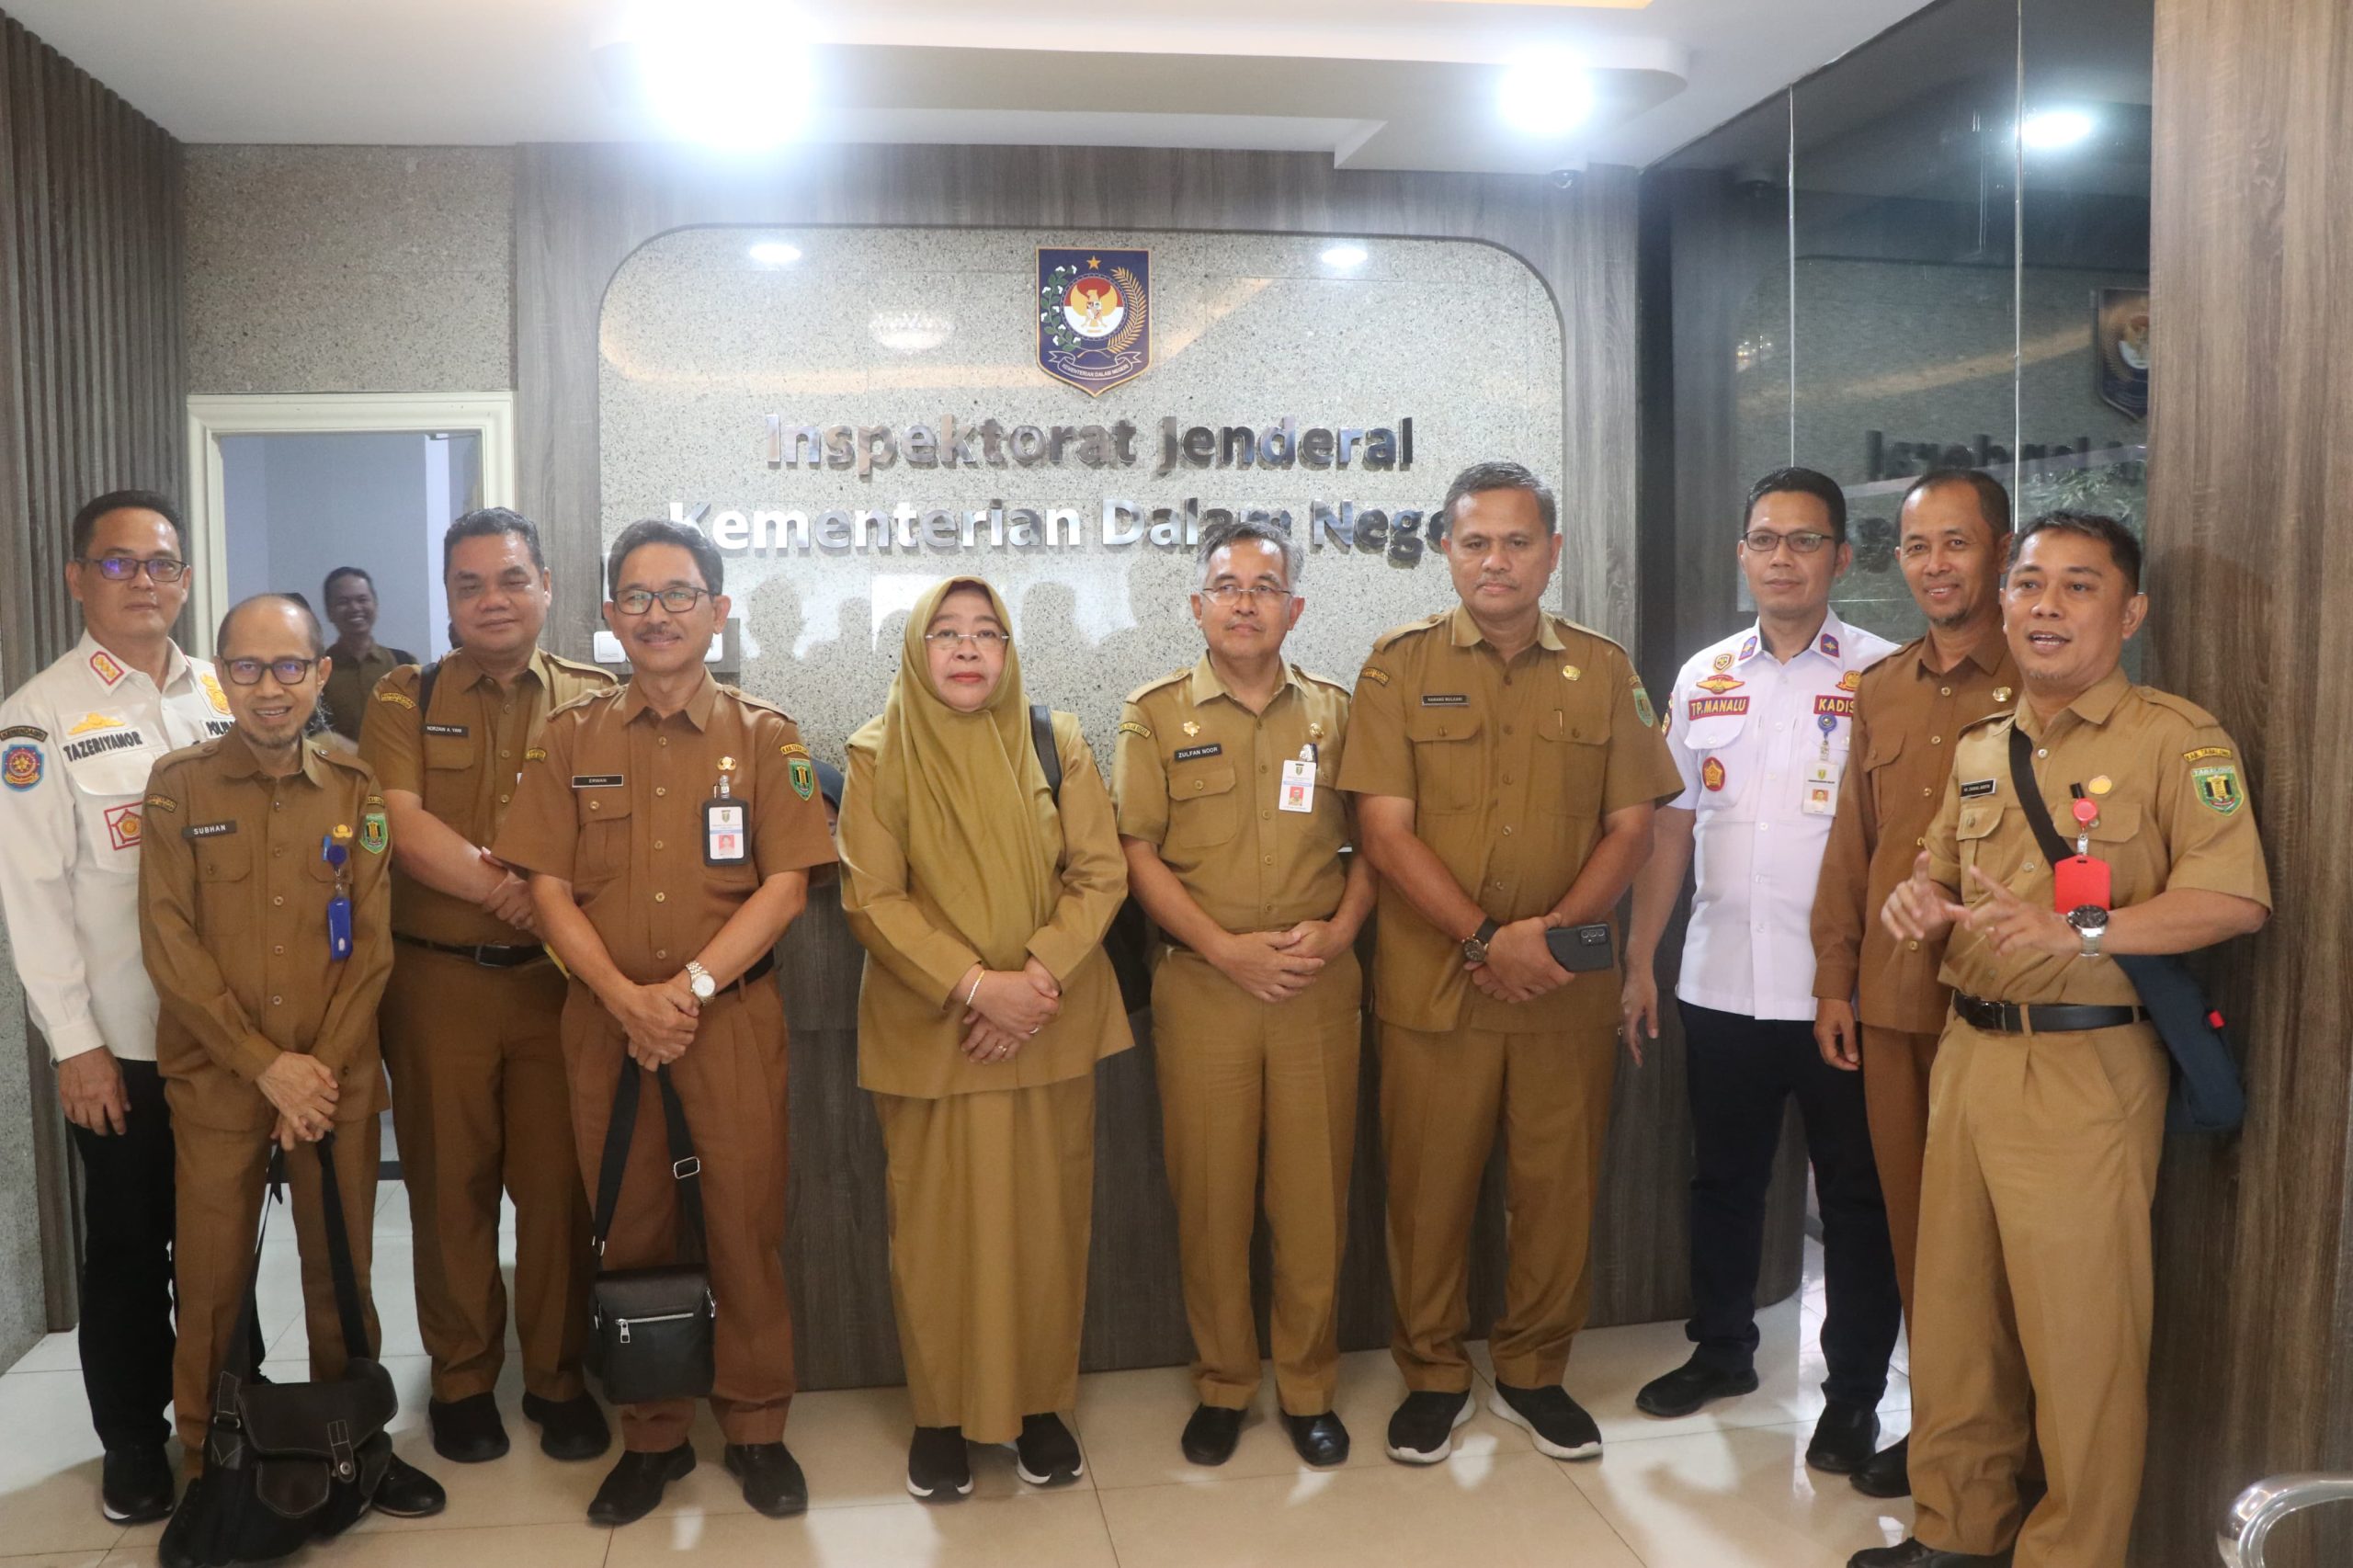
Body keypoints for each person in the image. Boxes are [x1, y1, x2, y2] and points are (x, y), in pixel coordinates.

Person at [1855, 513, 2270, 1568]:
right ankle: (1956, 1530)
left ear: (2129, 614)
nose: (2045, 605)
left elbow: (2233, 898)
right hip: (1970, 1054)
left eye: (2079, 586)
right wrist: (1916, 901)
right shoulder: (1982, 744)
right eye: (2029, 583)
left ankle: (2069, 1554)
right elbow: (1936, 874)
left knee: (2080, 1340)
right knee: (1957, 1320)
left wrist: (2078, 927)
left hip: (2087, 1066)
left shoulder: (2176, 739)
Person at [1338, 460, 1681, 1467]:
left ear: (1552, 551)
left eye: (1518, 541)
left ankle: (1534, 1371)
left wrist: (1548, 937)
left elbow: (1632, 828)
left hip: (1560, 994)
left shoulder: (1603, 669)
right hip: (1435, 989)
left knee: (1556, 1192)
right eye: (1477, 541)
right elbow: (1383, 831)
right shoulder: (1394, 667)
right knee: (1427, 1196)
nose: (1497, 560)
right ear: (1447, 549)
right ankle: (1433, 1375)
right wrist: (1489, 939)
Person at [494, 518, 835, 1526]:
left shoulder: (766, 736)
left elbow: (787, 884)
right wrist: (624, 997)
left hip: (727, 1022)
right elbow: (546, 889)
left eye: (679, 594)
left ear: (717, 611)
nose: (657, 614)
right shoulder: (571, 738)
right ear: (609, 615)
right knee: (629, 1224)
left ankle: (757, 1427)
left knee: (743, 1223)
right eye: (636, 598)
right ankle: (652, 1435)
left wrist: (684, 990)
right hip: (606, 1024)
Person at [139, 595, 445, 1562]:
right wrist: (266, 1067)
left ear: (319, 673)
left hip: (333, 1078)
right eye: (247, 667)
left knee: (340, 1275)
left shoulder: (355, 785)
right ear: (221, 674)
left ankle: (354, 1448)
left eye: (288, 667)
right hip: (220, 1080)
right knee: (213, 1281)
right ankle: (211, 1463)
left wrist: (313, 1073)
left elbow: (374, 946)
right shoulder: (178, 786)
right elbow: (168, 943)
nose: (268, 688)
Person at [1621, 467, 1903, 1475]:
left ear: (1841, 556)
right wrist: (1642, 959)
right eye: (1766, 540)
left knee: (1857, 1201)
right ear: (1742, 554)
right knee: (1723, 1180)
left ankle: (1853, 1396)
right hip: (1719, 981)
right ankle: (1721, 1349)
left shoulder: (1884, 674)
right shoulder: (1704, 674)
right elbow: (1670, 828)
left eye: (1805, 540)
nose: (1783, 558)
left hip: (1842, 994)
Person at [835, 577, 1131, 1503]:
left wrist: (1032, 984)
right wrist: (977, 988)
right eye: (946, 633)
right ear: (916, 649)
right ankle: (940, 1418)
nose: (967, 649)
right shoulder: (875, 754)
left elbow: (1100, 873)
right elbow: (871, 899)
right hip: (936, 1035)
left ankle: (1041, 1408)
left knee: (1048, 1226)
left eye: (986, 633)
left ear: (1008, 651)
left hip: (1047, 1027)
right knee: (934, 1236)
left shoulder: (1058, 741)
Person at [1113, 518, 1375, 1470]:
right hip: (1204, 988)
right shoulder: (1153, 714)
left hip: (1315, 984)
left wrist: (1340, 932)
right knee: (1212, 1199)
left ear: (1294, 607)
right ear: (1197, 604)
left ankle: (1307, 1387)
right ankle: (1224, 1382)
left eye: (1265, 587)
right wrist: (1225, 949)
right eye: (1226, 586)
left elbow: (1376, 843)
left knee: (1312, 1202)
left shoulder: (1338, 712)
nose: (1245, 602)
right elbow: (1136, 851)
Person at [358, 508, 615, 1466]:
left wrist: (540, 907)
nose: (492, 599)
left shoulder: (595, 697)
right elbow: (400, 823)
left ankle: (556, 1377)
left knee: (557, 1194)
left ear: (547, 586)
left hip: (559, 989)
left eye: (511, 579)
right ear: (448, 598)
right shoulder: (403, 695)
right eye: (469, 584)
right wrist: (517, 891)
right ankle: (463, 1380)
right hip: (437, 985)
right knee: (447, 1188)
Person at [0, 491, 233, 1524]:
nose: (145, 581)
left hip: (227, 1037)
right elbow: (33, 897)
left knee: (225, 1237)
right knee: (133, 1252)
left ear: (185, 578)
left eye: (162, 563)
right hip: (125, 1045)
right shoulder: (37, 716)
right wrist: (74, 1045)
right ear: (76, 578)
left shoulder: (222, 692)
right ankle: (135, 1441)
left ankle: (229, 1413)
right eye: (119, 562)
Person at [1808, 469, 2018, 1498]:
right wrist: (1834, 977)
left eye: (1956, 543)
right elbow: (1854, 845)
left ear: (2001, 550)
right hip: (1894, 1001)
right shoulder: (1881, 686)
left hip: (2008, 1004)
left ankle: (2000, 1445)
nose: (1936, 566)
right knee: (1914, 1230)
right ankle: (1940, 1432)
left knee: (1994, 1240)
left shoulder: (2041, 675)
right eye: (1917, 546)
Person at [321, 566, 416, 743]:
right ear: (329, 611)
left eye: (362, 599)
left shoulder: (404, 664)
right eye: (343, 602)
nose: (354, 608)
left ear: (375, 604)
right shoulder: (317, 672)